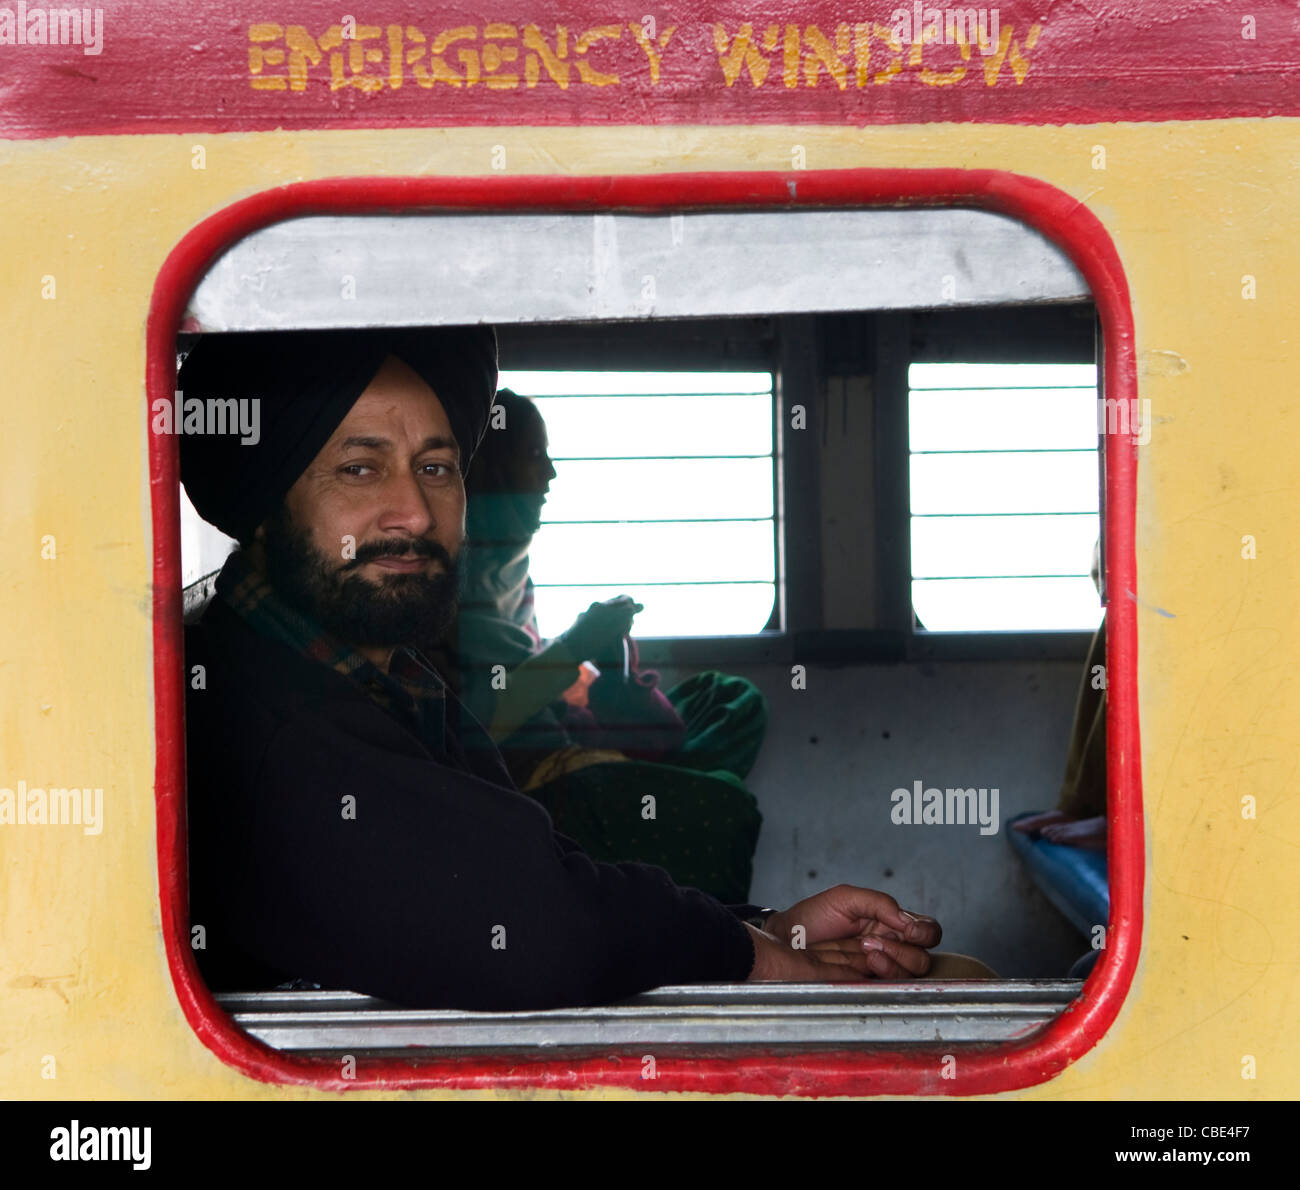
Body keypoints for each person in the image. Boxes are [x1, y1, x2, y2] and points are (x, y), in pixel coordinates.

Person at [179, 325, 989, 1013]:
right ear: (264, 507)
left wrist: (774, 927)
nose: (416, 513)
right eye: (360, 469)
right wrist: (765, 960)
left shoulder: (389, 676)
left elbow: (540, 868)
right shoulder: (255, 710)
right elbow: (532, 921)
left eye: (436, 467)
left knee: (962, 983)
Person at [432, 388, 767, 902]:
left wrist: (611, 669)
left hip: (568, 737)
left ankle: (642, 773)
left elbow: (533, 673)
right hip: (530, 775)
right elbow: (480, 725)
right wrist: (575, 645)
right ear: (491, 468)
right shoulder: (440, 577)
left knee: (727, 700)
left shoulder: (513, 574)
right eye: (535, 456)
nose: (551, 475)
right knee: (723, 800)